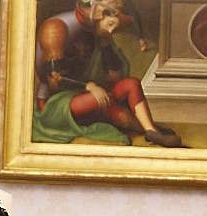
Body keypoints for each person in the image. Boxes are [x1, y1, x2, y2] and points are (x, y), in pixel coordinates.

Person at [33, 0, 182, 147]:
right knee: (108, 103)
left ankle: (151, 131)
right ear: (97, 11)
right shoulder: (56, 28)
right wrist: (89, 86)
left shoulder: (95, 30)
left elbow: (115, 76)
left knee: (131, 84)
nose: (112, 30)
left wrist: (105, 45)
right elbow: (54, 80)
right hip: (55, 103)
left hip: (85, 94)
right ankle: (143, 127)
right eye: (110, 20)